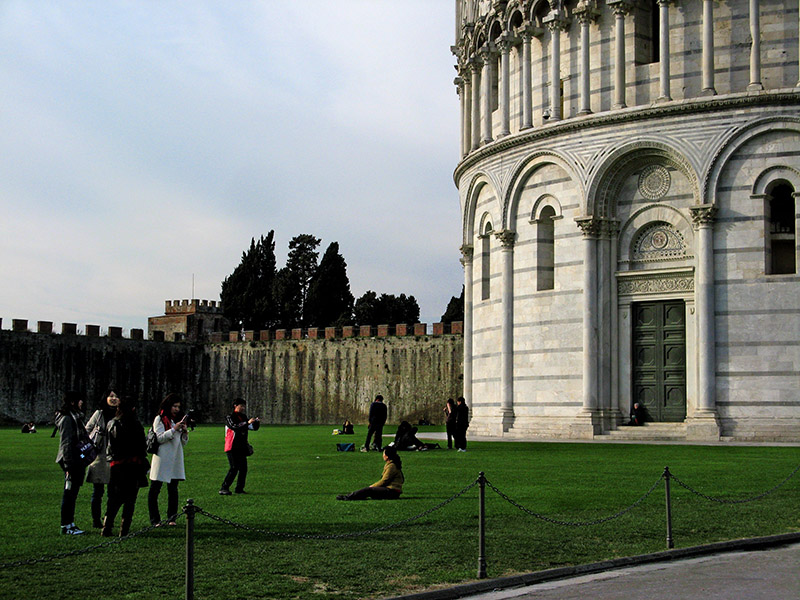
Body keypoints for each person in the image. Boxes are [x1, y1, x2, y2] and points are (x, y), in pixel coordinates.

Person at [102, 395, 147, 537]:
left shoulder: (111, 423)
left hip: (116, 465)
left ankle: (107, 527)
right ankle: (124, 529)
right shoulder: (135, 424)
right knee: (129, 500)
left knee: (114, 498)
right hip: (132, 466)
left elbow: (109, 446)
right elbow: (141, 446)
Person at [148, 393, 188, 526]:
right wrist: (173, 429)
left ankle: (172, 518)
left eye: (178, 407)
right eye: (174, 406)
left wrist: (184, 432)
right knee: (155, 489)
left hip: (175, 457)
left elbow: (182, 443)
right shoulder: (159, 419)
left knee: (173, 489)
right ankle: (155, 519)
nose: (176, 409)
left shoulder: (175, 421)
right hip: (162, 457)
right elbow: (159, 438)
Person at [85, 389, 120, 528]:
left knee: (113, 491)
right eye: (111, 396)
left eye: (116, 396)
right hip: (99, 456)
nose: (114, 398)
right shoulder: (99, 414)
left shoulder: (120, 413)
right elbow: (87, 429)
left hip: (115, 456)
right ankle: (96, 520)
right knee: (98, 491)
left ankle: (108, 518)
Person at [55, 391, 87, 535]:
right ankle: (65, 525)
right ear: (73, 402)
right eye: (79, 400)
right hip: (71, 460)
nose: (82, 403)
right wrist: (68, 465)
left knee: (72, 493)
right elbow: (66, 443)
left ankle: (70, 523)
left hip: (76, 459)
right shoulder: (68, 418)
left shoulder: (75, 417)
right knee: (69, 493)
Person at [219, 399, 260, 495]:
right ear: (235, 405)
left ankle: (239, 488)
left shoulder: (243, 417)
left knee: (243, 468)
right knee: (234, 467)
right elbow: (234, 426)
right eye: (241, 406)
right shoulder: (230, 417)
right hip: (232, 446)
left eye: (244, 406)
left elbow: (252, 428)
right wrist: (247, 423)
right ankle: (224, 487)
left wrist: (256, 422)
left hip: (242, 446)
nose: (243, 408)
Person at [337, 445, 404, 501]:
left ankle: (348, 497)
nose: (383, 455)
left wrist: (372, 486)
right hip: (392, 491)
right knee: (370, 491)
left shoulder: (391, 466)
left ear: (387, 456)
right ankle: (350, 496)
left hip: (392, 491)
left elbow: (384, 480)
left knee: (368, 490)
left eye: (384, 453)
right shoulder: (392, 464)